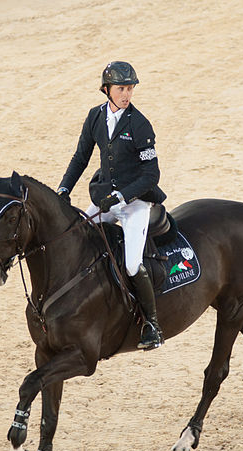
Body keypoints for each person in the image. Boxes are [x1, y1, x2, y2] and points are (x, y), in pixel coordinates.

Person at [57, 61, 166, 350]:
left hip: (134, 203)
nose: (127, 94)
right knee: (77, 238)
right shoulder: (95, 117)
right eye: (121, 88)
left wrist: (121, 197)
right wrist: (64, 188)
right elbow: (80, 157)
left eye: (130, 88)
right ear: (107, 89)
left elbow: (151, 175)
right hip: (104, 198)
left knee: (132, 264)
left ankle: (152, 325)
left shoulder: (140, 125)